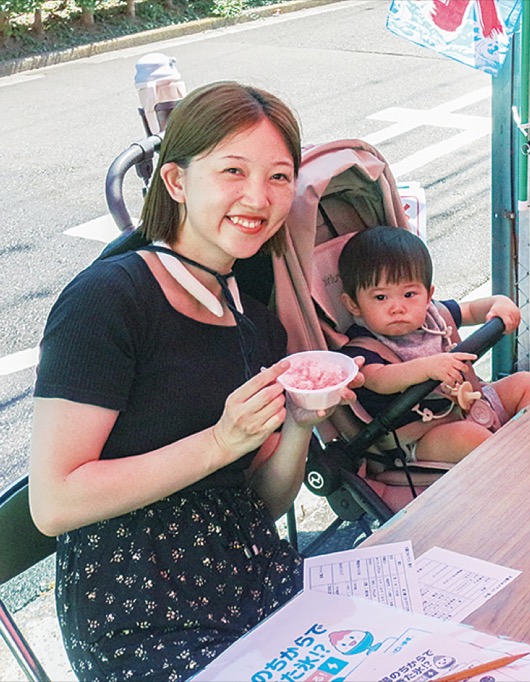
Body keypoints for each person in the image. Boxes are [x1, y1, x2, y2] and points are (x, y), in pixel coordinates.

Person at [28, 81, 360, 681]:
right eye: (233, 170)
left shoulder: (254, 320)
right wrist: (219, 442)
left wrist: (297, 425)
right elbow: (53, 503)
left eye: (279, 177)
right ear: (177, 181)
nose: (258, 197)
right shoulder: (109, 300)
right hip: (139, 608)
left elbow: (263, 502)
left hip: (253, 574)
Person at [336, 225, 530, 469]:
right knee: (469, 438)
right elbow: (379, 379)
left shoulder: (435, 317)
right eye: (381, 297)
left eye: (409, 294)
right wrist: (427, 368)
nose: (397, 308)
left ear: (428, 295)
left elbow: (470, 310)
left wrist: (499, 303)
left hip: (470, 403)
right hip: (421, 435)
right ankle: (518, 465)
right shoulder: (361, 347)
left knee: (527, 384)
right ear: (353, 304)